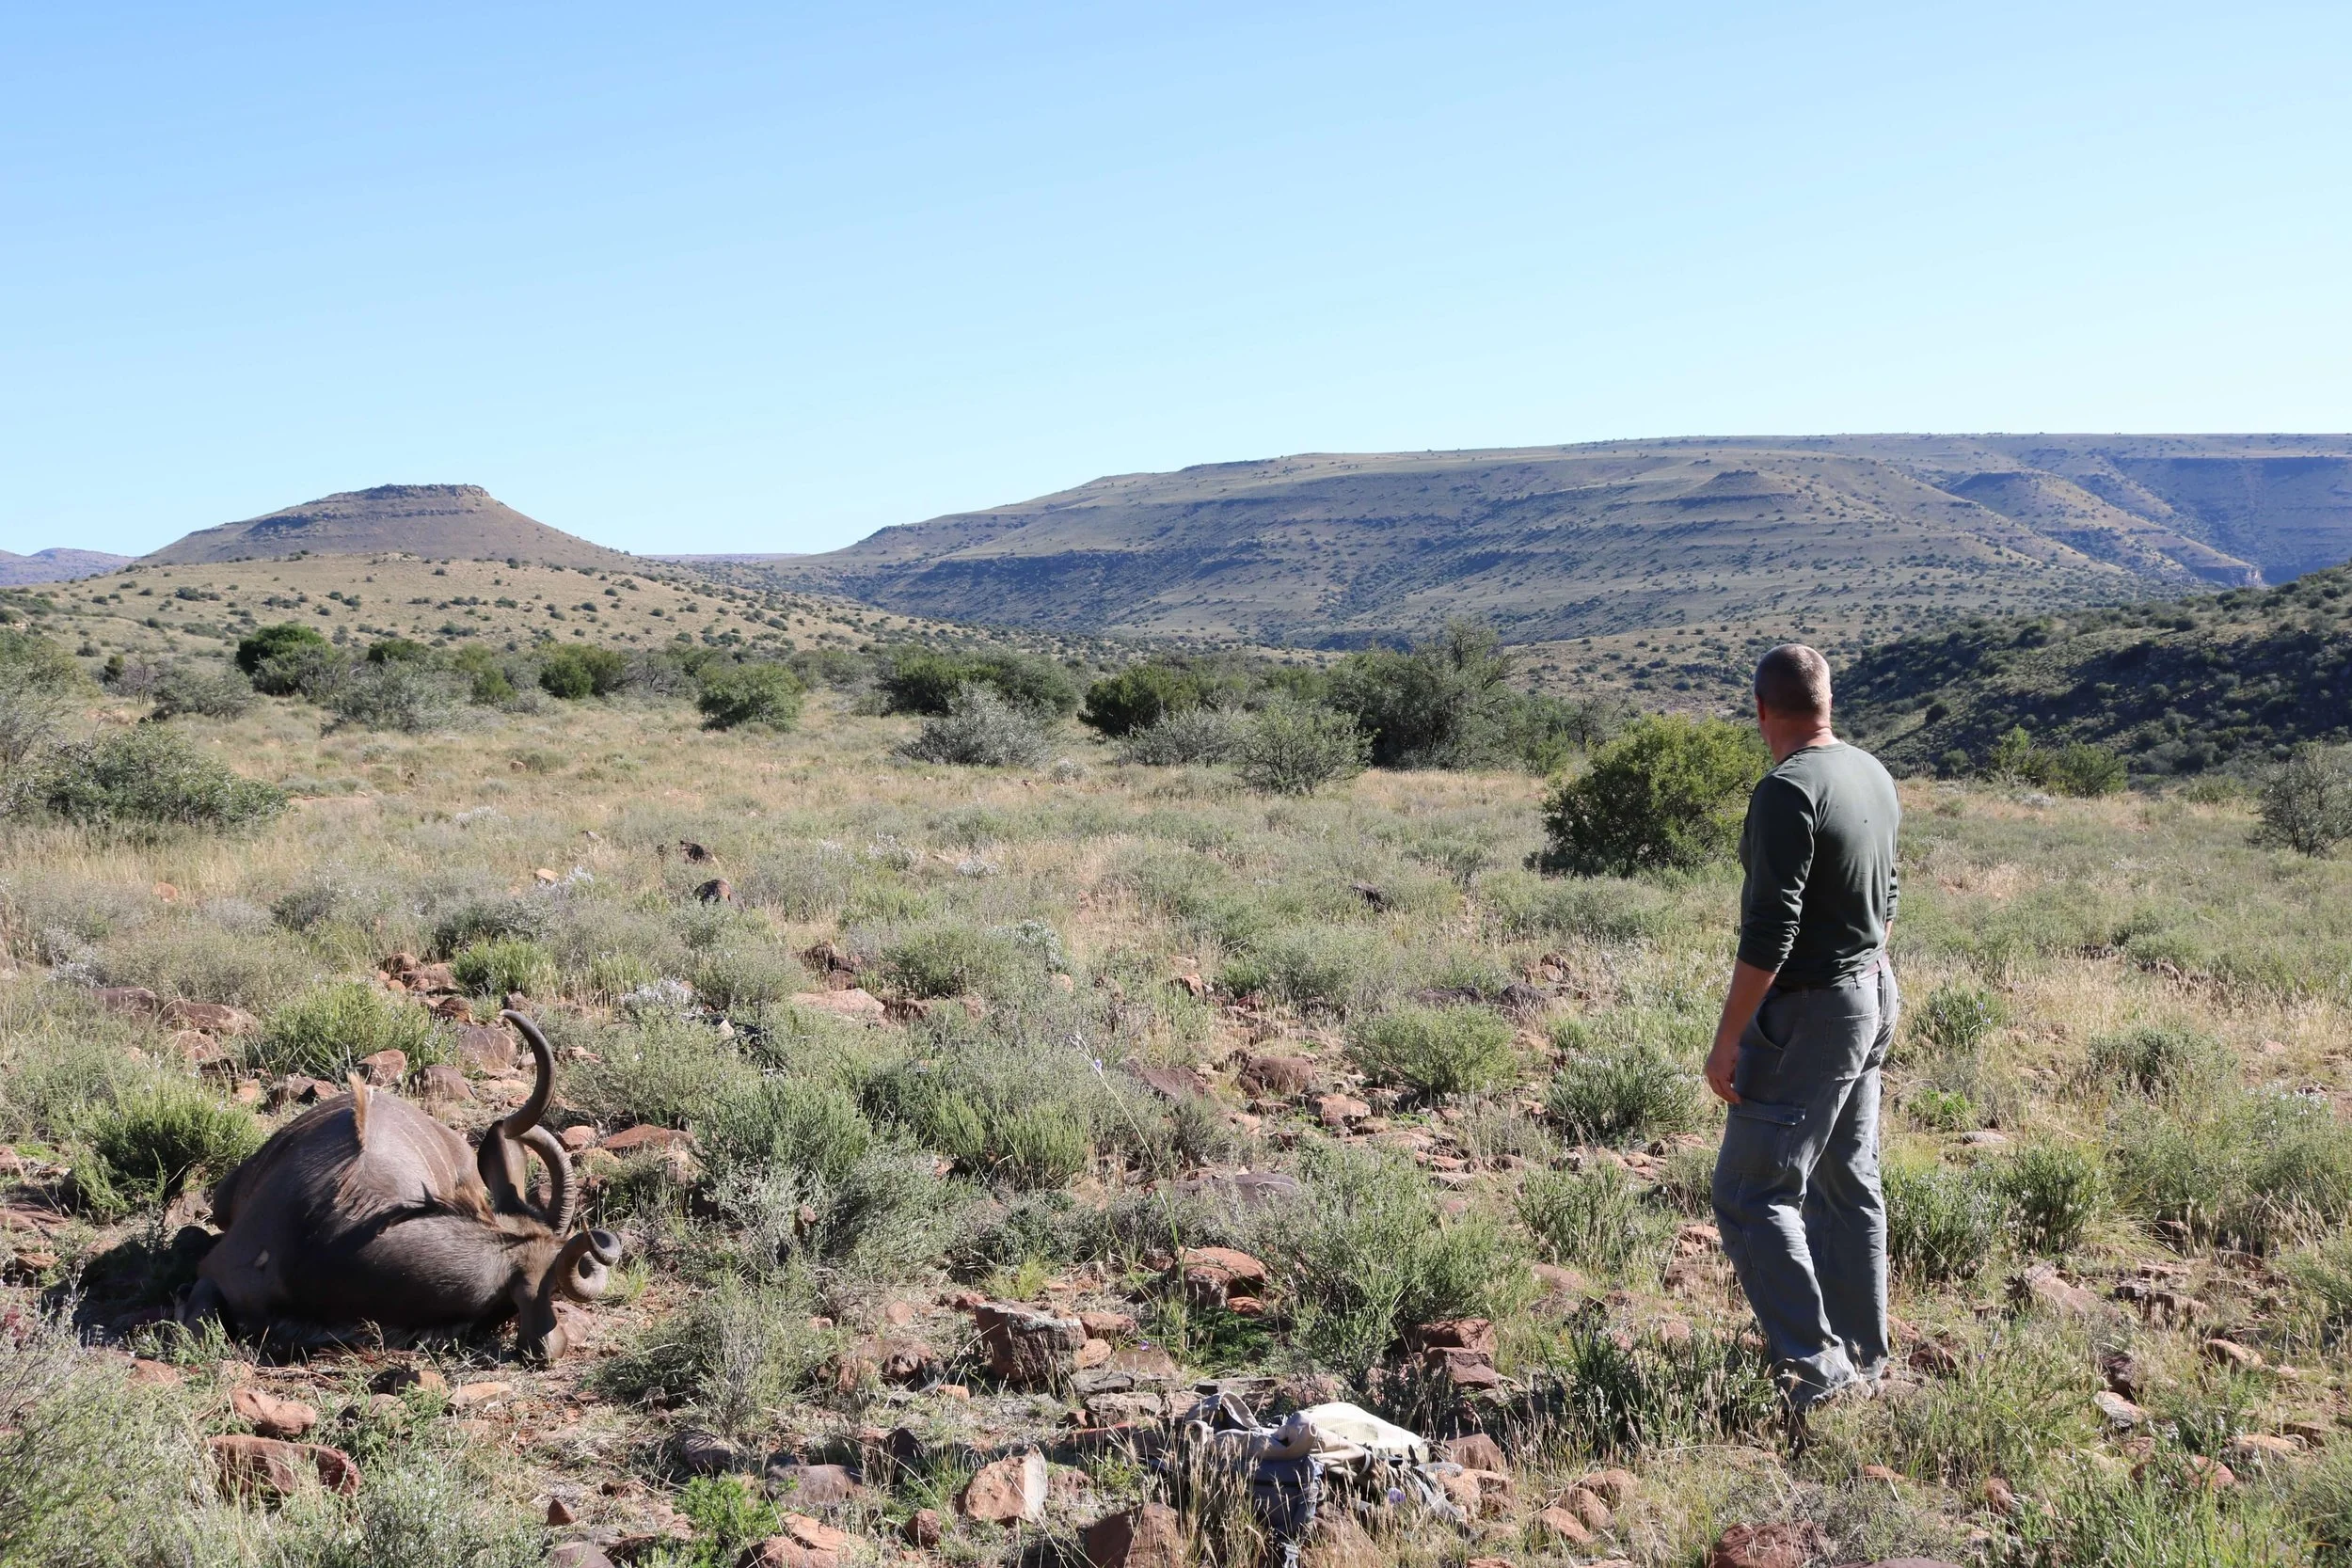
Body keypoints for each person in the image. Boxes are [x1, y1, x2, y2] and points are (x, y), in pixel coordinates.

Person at [1704, 642, 1901, 1414]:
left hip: (1814, 1009)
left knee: (1753, 1190)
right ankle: (1862, 1354)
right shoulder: (1870, 772)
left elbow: (1770, 933)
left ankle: (1820, 1379)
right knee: (1847, 1180)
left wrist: (1729, 1038)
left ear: (1761, 710)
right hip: (1872, 990)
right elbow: (1888, 896)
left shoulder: (1787, 791)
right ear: (1826, 701)